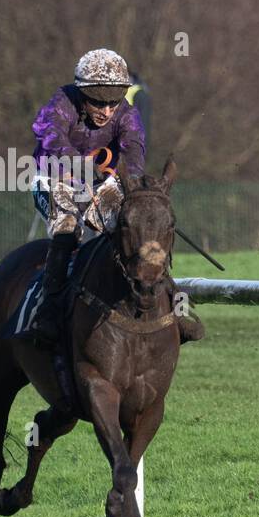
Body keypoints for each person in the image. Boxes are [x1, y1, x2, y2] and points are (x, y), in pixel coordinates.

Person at [24, 48, 202, 346]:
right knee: (68, 229)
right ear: (82, 93)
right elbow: (51, 138)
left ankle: (176, 306)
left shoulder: (126, 114)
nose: (106, 110)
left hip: (101, 180)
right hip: (55, 180)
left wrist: (121, 183)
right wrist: (83, 167)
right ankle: (50, 310)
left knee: (136, 230)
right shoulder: (61, 103)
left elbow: (134, 152)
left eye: (113, 101)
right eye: (97, 101)